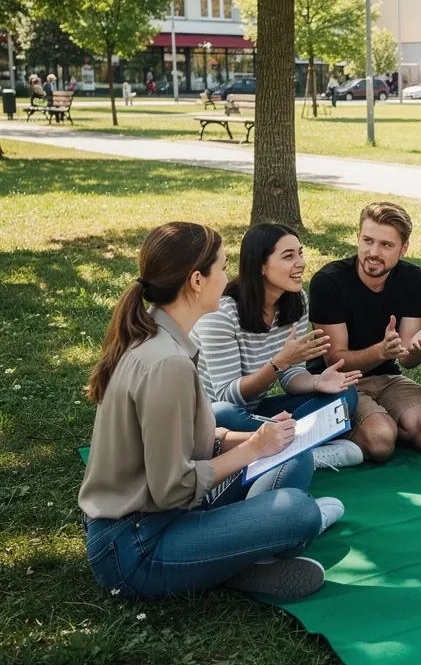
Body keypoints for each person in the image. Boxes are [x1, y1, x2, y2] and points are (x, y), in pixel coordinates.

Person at [79, 222, 347, 602]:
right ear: (196, 281)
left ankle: (227, 557)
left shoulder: (160, 336)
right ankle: (238, 560)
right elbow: (173, 486)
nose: (228, 276)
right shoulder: (166, 362)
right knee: (299, 513)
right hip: (136, 548)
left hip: (165, 517)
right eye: (221, 267)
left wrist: (258, 439)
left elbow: (191, 441)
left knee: (295, 456)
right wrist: (251, 452)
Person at [309, 202, 421, 467]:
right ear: (358, 238)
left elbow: (407, 360)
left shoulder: (413, 279)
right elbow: (334, 360)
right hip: (340, 382)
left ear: (403, 248)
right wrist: (381, 351)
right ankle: (339, 436)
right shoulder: (328, 282)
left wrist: (417, 348)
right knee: (381, 442)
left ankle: (378, 424)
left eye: (386, 245)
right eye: (367, 240)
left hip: (387, 377)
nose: (373, 252)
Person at [192, 223, 361, 470]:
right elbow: (226, 395)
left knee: (344, 395)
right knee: (221, 412)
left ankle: (281, 450)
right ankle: (302, 453)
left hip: (256, 414)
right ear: (261, 265)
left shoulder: (297, 300)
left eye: (300, 253)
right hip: (216, 421)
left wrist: (317, 382)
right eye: (288, 256)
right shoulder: (221, 313)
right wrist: (278, 363)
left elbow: (290, 374)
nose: (300, 263)